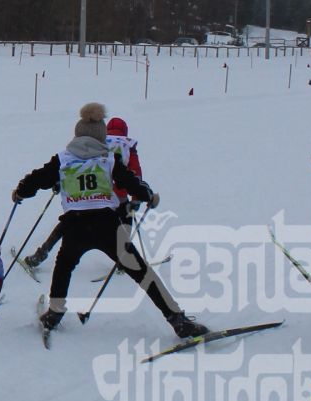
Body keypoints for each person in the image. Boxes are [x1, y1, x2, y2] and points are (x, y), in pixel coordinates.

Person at [14, 102, 206, 341]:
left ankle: (54, 313)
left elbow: (37, 179)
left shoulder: (63, 159)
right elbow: (132, 182)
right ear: (102, 137)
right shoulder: (109, 160)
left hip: (75, 225)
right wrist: (148, 196)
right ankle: (177, 320)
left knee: (63, 268)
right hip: (107, 225)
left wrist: (21, 192)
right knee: (141, 271)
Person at [21, 113, 140, 278]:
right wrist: (136, 198)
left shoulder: (97, 143)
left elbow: (78, 167)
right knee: (124, 224)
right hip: (118, 196)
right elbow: (135, 173)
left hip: (93, 193)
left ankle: (41, 254)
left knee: (67, 225)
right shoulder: (128, 146)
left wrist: (59, 182)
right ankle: (123, 261)